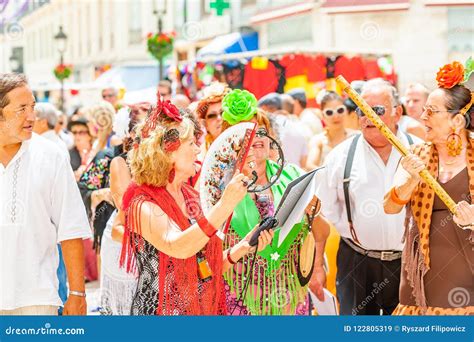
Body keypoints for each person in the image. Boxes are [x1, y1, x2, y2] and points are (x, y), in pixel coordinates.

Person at [120, 96, 273, 315]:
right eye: (191, 143)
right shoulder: (141, 202)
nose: (197, 151)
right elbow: (177, 246)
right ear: (167, 151)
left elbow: (204, 268)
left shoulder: (191, 196)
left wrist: (243, 247)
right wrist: (225, 205)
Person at [316, 78, 422, 315]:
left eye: (377, 110)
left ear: (397, 112)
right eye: (361, 111)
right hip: (356, 262)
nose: (368, 117)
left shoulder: (422, 152)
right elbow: (322, 214)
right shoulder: (339, 157)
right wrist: (316, 267)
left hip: (410, 264)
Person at [219, 89, 330, 315]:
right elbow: (208, 260)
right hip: (239, 300)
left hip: (290, 298)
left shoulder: (294, 176)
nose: (256, 138)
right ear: (231, 141)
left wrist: (314, 214)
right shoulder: (217, 187)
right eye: (246, 132)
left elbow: (321, 232)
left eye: (261, 131)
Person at [384, 61, 474, 315]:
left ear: (457, 120)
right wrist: (411, 179)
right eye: (423, 110)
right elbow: (390, 207)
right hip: (419, 288)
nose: (422, 117)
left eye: (431, 111)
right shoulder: (415, 154)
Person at [0, 73, 90, 315]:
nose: (32, 116)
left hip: (38, 299)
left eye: (33, 107)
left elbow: (70, 228)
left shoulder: (51, 156)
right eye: (22, 109)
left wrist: (77, 294)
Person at [306, 91, 356, 169]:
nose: (336, 116)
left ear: (346, 111)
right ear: (323, 115)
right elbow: (310, 166)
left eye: (340, 110)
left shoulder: (356, 137)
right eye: (329, 112)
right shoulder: (318, 141)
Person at [196, 82, 229, 157]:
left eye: (223, 113)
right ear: (205, 124)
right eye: (212, 116)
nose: (219, 118)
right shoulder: (199, 157)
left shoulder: (247, 147)